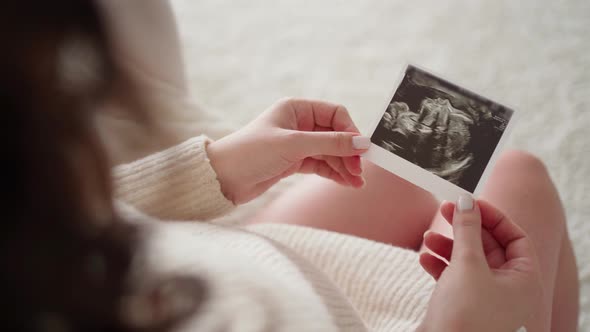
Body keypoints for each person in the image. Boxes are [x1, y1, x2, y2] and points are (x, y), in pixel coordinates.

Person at [1, 1, 578, 331]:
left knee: (402, 161)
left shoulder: (34, 228)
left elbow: (81, 216)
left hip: (264, 259)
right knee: (520, 177)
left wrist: (219, 168)